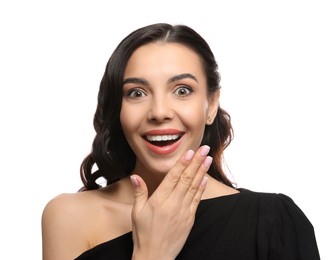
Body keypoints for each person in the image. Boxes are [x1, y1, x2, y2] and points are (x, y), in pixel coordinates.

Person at [41, 23, 320, 260]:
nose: (160, 112)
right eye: (137, 93)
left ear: (211, 105)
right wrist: (151, 253)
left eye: (182, 90)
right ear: (118, 109)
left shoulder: (275, 221)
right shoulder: (69, 217)